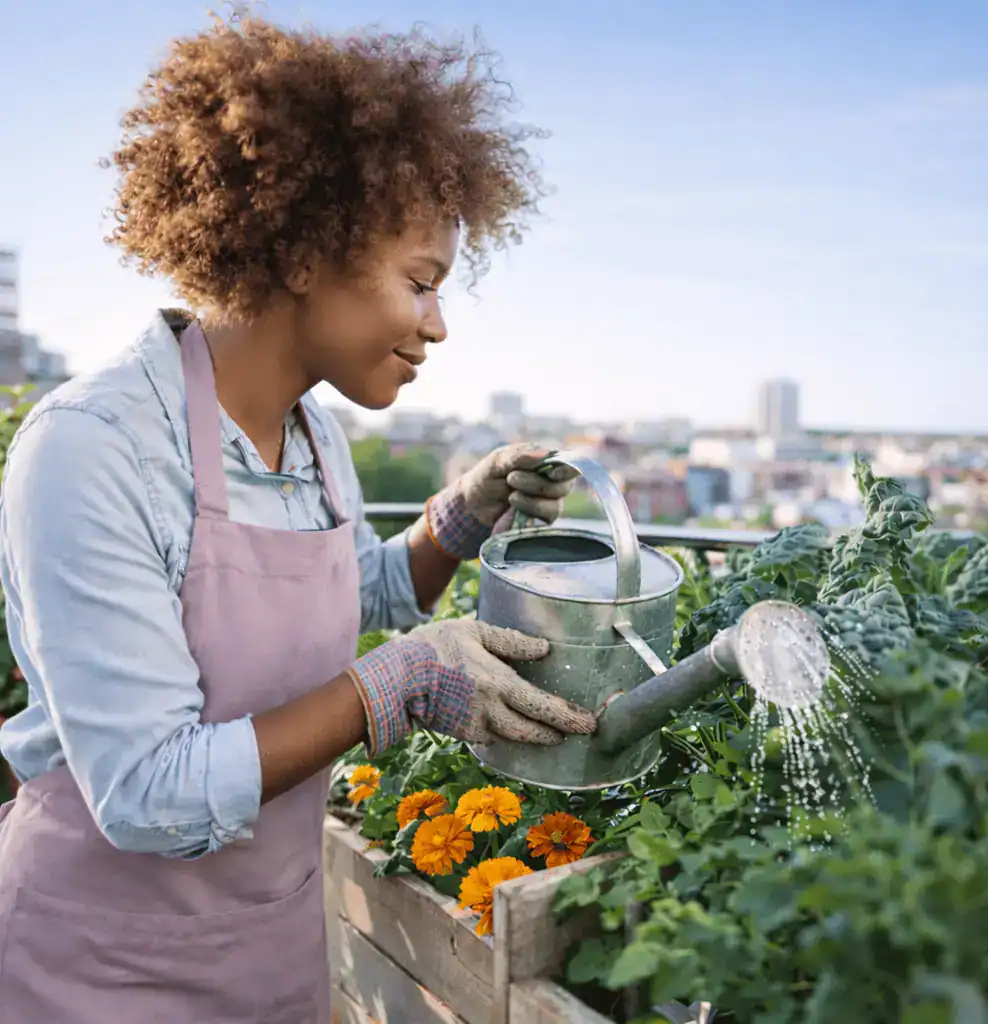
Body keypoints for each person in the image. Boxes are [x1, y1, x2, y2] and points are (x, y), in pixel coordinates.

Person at [0, 14, 595, 1022]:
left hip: (269, 946)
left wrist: (460, 514)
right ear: (308, 247)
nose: (439, 324)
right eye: (422, 281)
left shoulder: (311, 436)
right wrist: (397, 683)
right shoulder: (92, 445)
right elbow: (146, 792)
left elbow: (351, 593)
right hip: (97, 965)